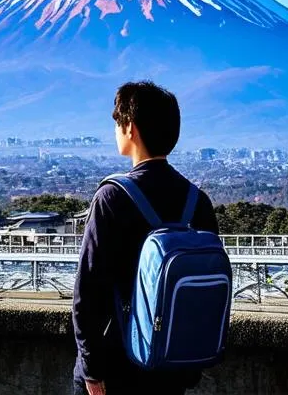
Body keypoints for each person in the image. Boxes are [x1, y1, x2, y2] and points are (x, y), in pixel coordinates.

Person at [72, 80, 219, 395]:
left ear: (131, 129)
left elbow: (88, 293)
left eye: (118, 122)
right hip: (173, 367)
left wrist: (91, 370)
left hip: (117, 364)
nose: (116, 130)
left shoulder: (112, 197)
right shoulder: (198, 201)